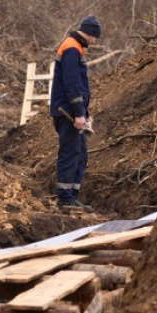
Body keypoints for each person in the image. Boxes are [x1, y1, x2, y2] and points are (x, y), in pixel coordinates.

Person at [51, 15, 101, 212]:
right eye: (95, 38)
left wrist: (85, 114)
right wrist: (79, 114)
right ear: (89, 34)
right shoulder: (72, 47)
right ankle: (64, 198)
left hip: (72, 111)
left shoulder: (75, 46)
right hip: (68, 113)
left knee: (80, 154)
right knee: (70, 153)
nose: (95, 42)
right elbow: (72, 84)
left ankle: (71, 197)